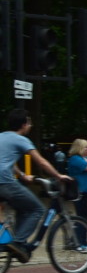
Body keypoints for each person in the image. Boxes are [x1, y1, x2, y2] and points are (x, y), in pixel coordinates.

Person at [0, 108, 73, 263]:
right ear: (23, 124)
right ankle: (18, 243)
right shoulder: (21, 139)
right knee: (37, 209)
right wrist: (58, 175)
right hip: (4, 182)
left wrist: (22, 175)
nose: (31, 126)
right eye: (29, 122)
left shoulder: (2, 137)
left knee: (23, 207)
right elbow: (41, 161)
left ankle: (18, 243)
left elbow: (7, 161)